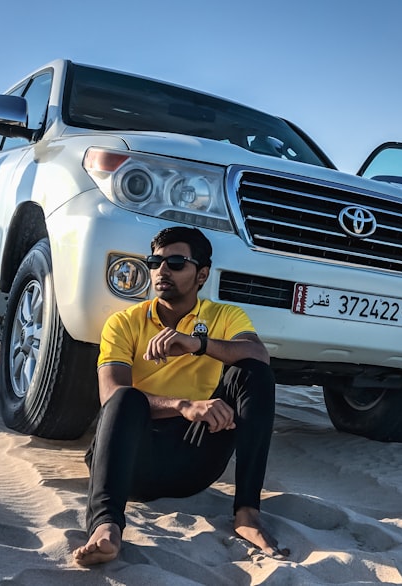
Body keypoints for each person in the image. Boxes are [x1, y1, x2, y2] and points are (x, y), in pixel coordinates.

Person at [72, 226, 287, 566]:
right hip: (128, 461)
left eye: (175, 262)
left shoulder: (224, 316)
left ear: (202, 274)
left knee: (253, 372)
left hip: (193, 464)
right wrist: (183, 405)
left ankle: (247, 512)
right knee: (126, 398)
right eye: (156, 261)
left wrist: (198, 344)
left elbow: (259, 355)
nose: (161, 270)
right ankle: (106, 525)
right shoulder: (123, 323)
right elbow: (111, 396)